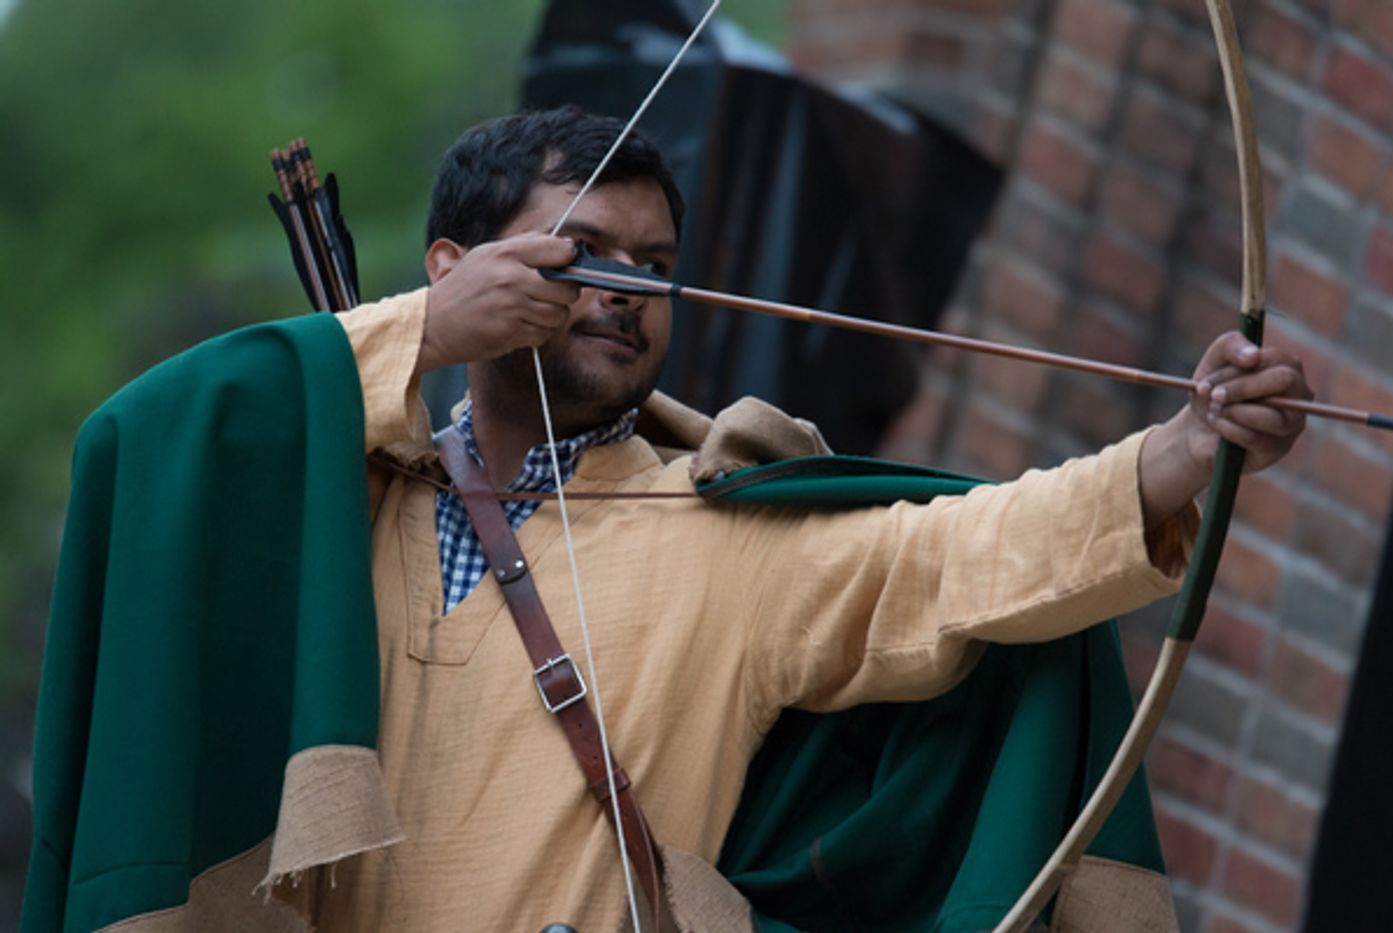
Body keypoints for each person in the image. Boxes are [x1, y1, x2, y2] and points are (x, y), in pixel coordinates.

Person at [296, 106, 1313, 930]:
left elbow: (949, 555)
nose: (624, 291)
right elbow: (159, 450)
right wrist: (414, 339)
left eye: (653, 268)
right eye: (582, 252)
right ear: (452, 271)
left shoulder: (720, 535)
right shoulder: (334, 501)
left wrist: (1184, 448)